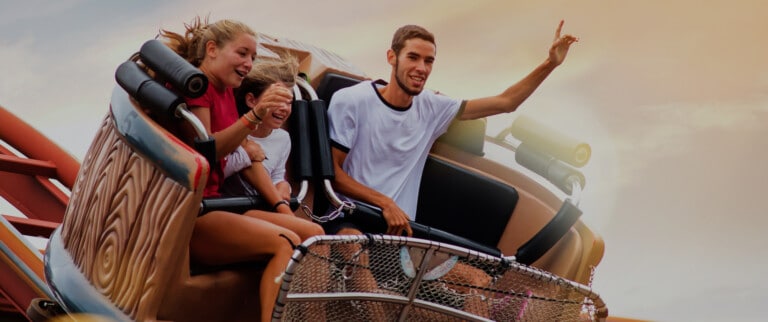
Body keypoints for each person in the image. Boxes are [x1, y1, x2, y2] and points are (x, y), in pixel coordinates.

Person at [322, 21, 578, 318]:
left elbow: (506, 102)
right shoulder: (352, 100)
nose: (421, 67)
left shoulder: (432, 107)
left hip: (403, 237)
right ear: (392, 57)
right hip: (351, 223)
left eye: (428, 61)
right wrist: (384, 202)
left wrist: (550, 63)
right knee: (364, 274)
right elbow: (334, 175)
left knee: (479, 281)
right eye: (413, 57)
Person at [160, 16, 297, 322]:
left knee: (312, 237)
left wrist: (280, 202)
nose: (249, 63)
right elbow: (206, 152)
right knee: (286, 243)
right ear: (212, 49)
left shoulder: (224, 91)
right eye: (242, 53)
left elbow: (246, 154)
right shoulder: (199, 87)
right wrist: (254, 116)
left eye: (252, 57)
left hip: (220, 205)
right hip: (194, 213)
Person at [220, 55, 324, 242]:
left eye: (289, 102)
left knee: (313, 233)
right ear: (252, 100)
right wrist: (246, 155)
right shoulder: (235, 131)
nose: (284, 108)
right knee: (311, 234)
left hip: (260, 209)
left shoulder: (282, 138)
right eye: (278, 100)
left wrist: (282, 185)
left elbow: (277, 175)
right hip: (231, 209)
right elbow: (218, 170)